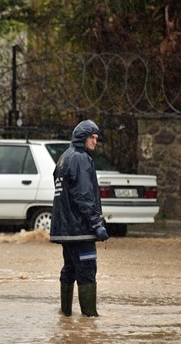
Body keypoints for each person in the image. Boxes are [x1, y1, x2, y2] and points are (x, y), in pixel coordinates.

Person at [50, 119, 109, 317]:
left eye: (96, 138)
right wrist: (96, 223)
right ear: (82, 137)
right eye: (92, 137)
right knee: (86, 270)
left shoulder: (64, 157)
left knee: (69, 268)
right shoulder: (81, 158)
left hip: (66, 230)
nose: (95, 141)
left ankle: (65, 314)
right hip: (81, 230)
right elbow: (83, 194)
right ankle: (90, 318)